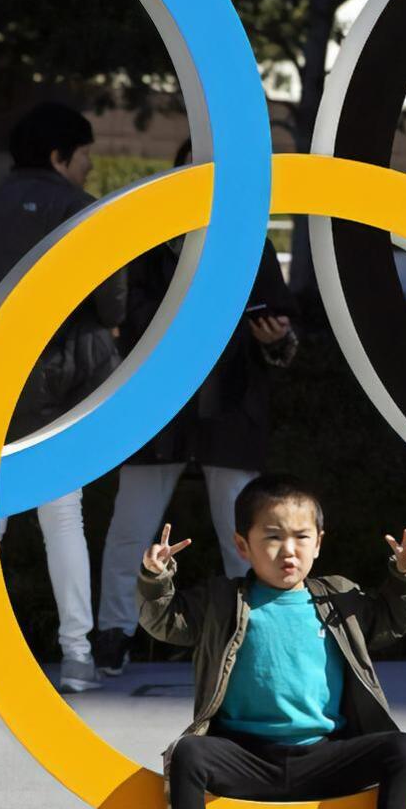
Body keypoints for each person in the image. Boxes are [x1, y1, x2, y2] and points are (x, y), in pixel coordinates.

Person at [139, 473, 406, 809]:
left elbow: (388, 620)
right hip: (245, 758)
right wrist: (156, 578)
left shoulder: (338, 597)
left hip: (323, 757)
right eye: (272, 537)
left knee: (403, 749)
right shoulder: (223, 600)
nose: (288, 550)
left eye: (300, 537)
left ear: (319, 543)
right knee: (188, 753)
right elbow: (166, 622)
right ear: (243, 545)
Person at [96, 143, 297, 676]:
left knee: (244, 529)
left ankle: (255, 637)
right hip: (157, 404)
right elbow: (127, 315)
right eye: (191, 169)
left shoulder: (247, 240)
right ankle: (114, 633)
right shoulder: (149, 239)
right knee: (131, 527)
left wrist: (276, 338)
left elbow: (281, 330)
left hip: (229, 402)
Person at [0, 102, 127, 694]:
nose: (88, 168)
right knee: (62, 514)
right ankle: (77, 655)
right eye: (83, 156)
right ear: (59, 156)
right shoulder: (80, 208)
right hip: (63, 378)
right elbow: (111, 300)